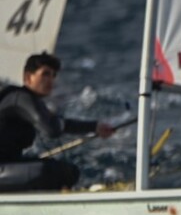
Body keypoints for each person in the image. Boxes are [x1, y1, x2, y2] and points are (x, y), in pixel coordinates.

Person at [0, 52, 115, 192]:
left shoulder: (27, 101)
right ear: (28, 77)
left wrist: (94, 127)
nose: (50, 80)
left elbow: (59, 124)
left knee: (70, 171)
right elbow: (51, 130)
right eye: (45, 74)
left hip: (9, 164)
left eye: (54, 75)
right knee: (48, 172)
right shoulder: (21, 98)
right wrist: (50, 117)